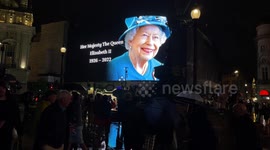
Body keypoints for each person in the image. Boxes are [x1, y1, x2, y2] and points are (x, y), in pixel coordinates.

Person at [107, 15, 171, 81]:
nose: (150, 42)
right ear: (130, 40)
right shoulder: (113, 67)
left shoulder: (160, 67)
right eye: (144, 35)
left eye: (156, 37)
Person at [0, 80, 22, 150]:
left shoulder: (11, 101)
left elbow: (15, 116)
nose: (1, 90)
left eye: (3, 88)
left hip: (7, 131)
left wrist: (5, 121)